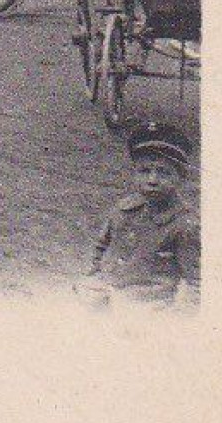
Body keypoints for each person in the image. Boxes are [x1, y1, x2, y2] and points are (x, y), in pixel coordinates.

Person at [74, 122, 200, 310]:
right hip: (106, 295)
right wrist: (93, 276)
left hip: (150, 308)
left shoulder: (185, 224)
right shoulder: (124, 210)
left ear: (182, 177)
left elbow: (196, 283)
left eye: (164, 173)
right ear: (134, 173)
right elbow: (101, 247)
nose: (152, 180)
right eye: (144, 171)